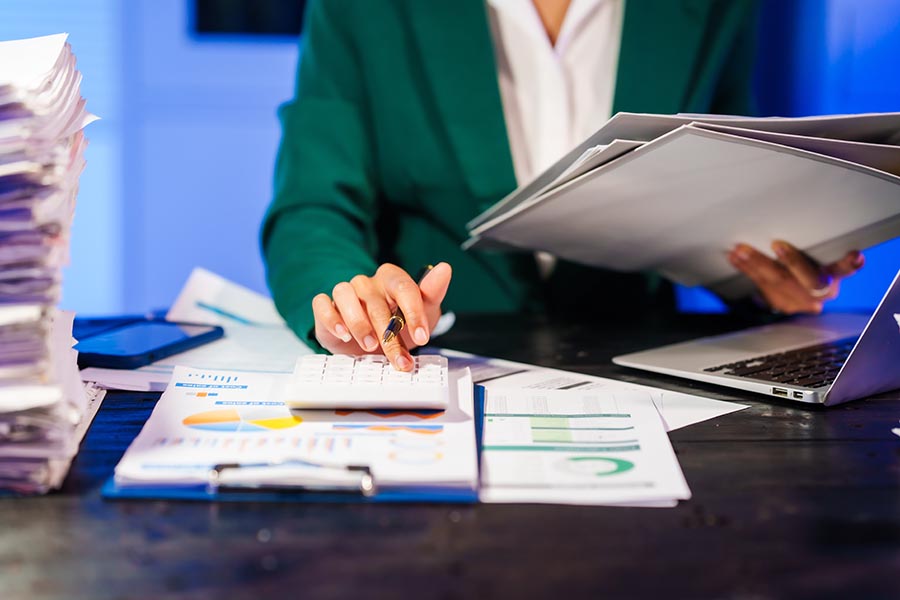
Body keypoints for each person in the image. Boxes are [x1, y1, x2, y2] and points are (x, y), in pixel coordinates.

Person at [261, 0, 864, 371]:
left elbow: (731, 178)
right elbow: (312, 204)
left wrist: (770, 274)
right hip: (435, 358)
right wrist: (344, 299)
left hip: (650, 364)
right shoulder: (360, 9)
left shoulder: (712, 6)